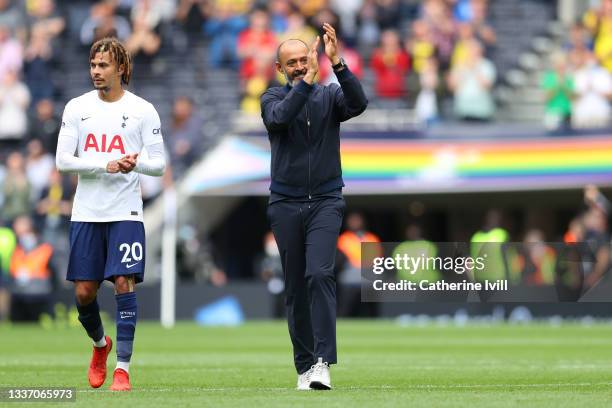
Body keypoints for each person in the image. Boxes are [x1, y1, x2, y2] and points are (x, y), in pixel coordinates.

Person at [260, 23, 367, 391]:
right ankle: (304, 366)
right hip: (286, 203)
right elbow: (280, 118)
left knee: (319, 275)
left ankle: (323, 363)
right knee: (295, 288)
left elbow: (358, 103)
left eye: (304, 59)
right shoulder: (272, 98)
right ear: (280, 68)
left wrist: (338, 64)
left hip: (325, 200)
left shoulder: (328, 97)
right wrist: (306, 83)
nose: (300, 66)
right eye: (292, 62)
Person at [55, 37, 166, 391]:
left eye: (103, 66)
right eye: (93, 65)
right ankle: (101, 346)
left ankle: (123, 369)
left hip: (126, 212)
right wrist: (107, 165)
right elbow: (62, 161)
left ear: (121, 68)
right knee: (84, 293)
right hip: (86, 211)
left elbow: (159, 165)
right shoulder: (76, 107)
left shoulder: (143, 110)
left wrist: (134, 166)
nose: (96, 72)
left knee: (123, 282)